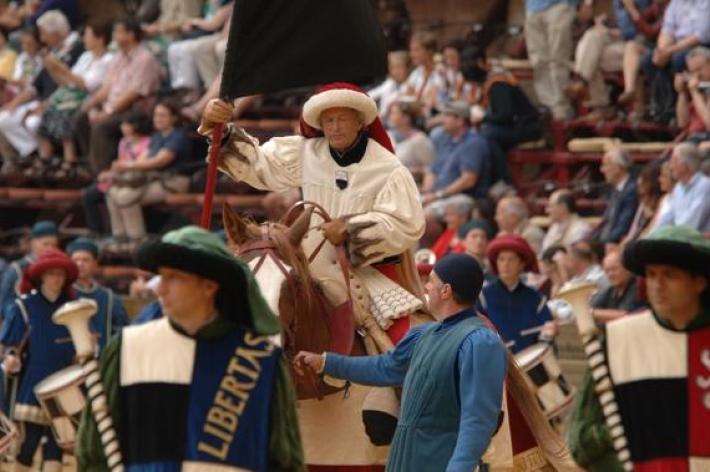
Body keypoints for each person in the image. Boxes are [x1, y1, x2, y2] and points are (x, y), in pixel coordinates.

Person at [200, 82, 425, 342]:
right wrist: (221, 131)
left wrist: (350, 230)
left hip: (364, 272)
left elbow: (406, 224)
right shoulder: (305, 152)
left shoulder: (388, 167)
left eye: (342, 119)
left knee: (404, 340)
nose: (335, 127)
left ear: (360, 122)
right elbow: (261, 165)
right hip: (305, 264)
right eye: (328, 120)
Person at [76, 226, 304, 470]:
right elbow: (93, 452)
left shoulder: (262, 360)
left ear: (209, 286)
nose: (160, 288)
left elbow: (285, 460)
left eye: (174, 277)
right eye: (162, 276)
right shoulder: (127, 348)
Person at [294, 253, 508, 471]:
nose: (426, 287)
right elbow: (385, 368)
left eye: (431, 282)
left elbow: (478, 421)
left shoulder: (480, 343)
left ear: (446, 291)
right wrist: (326, 362)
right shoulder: (424, 333)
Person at [568, 225, 710, 471]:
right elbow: (580, 441)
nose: (657, 285)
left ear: (699, 282)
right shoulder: (617, 339)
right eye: (652, 275)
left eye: (670, 275)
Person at [0, 249, 79, 471]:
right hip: (32, 385)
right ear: (41, 276)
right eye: (52, 273)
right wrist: (11, 358)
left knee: (57, 448)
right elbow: (10, 347)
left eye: (61, 274)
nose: (56, 278)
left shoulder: (72, 307)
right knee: (27, 446)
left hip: (65, 389)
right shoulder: (24, 306)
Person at [105, 100, 193, 250]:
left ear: (174, 118)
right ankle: (121, 238)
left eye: (162, 115)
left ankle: (137, 241)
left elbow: (160, 162)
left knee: (126, 197)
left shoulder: (178, 136)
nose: (157, 119)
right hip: (154, 180)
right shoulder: (157, 136)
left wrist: (127, 165)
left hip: (174, 181)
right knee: (112, 194)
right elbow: (143, 159)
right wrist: (121, 168)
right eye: (156, 115)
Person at [478, 234, 556, 353]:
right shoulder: (483, 296)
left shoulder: (535, 298)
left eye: (511, 259)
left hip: (531, 365)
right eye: (501, 259)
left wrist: (548, 333)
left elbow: (548, 329)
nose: (505, 264)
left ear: (521, 264)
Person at [66, 238, 128, 351]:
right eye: (76, 260)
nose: (80, 264)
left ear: (95, 263)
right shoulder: (64, 294)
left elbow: (121, 331)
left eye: (86, 260)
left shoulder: (109, 297)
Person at [524, 0, 576, 120]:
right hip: (532, 8)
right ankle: (548, 106)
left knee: (558, 59)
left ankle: (562, 107)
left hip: (559, 5)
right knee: (538, 62)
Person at [0, 220, 59, 319]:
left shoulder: (58, 269)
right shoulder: (16, 269)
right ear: (33, 243)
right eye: (46, 244)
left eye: (54, 245)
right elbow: (3, 304)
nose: (50, 249)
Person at [655, 142, 710, 231]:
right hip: (678, 238)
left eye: (674, 160)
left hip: (696, 241)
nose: (671, 166)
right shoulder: (677, 188)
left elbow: (691, 224)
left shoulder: (705, 186)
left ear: (686, 164)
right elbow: (667, 218)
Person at [589, 249, 646, 324]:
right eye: (607, 271)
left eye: (614, 269)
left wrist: (593, 313)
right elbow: (590, 308)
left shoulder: (637, 284)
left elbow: (626, 315)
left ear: (627, 268)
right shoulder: (610, 291)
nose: (610, 275)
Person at [596, 148, 638, 247]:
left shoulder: (631, 190)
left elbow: (623, 226)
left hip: (616, 244)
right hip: (606, 240)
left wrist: (601, 245)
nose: (602, 170)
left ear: (618, 167)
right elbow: (605, 222)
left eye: (605, 165)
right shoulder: (616, 190)